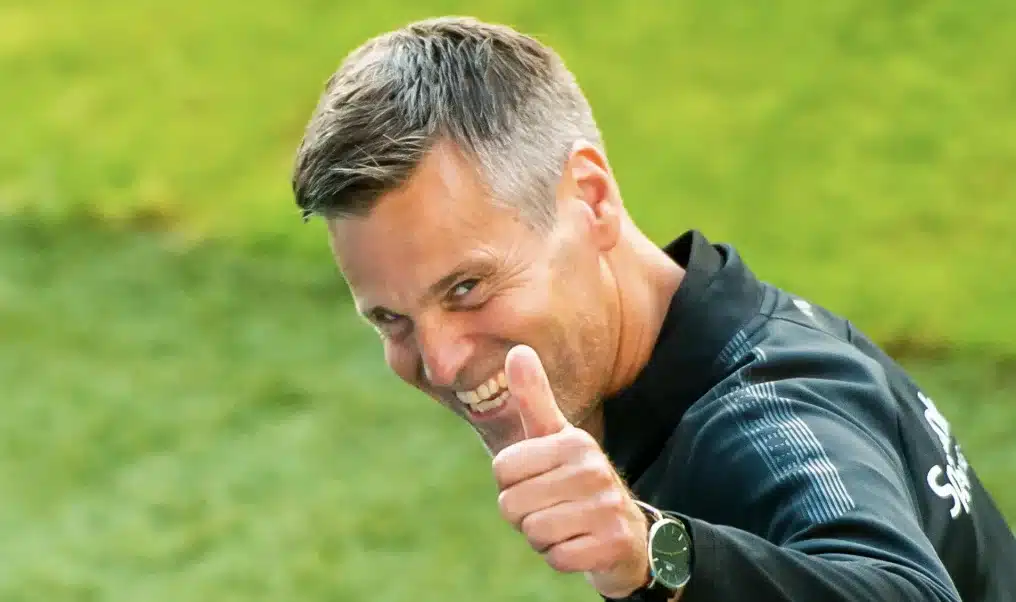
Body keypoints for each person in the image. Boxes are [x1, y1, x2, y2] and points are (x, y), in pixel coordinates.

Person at [289, 16, 1016, 602]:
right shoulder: (677, 369)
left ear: (591, 199)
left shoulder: (761, 414)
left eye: (466, 288)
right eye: (390, 319)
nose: (442, 361)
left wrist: (656, 554)